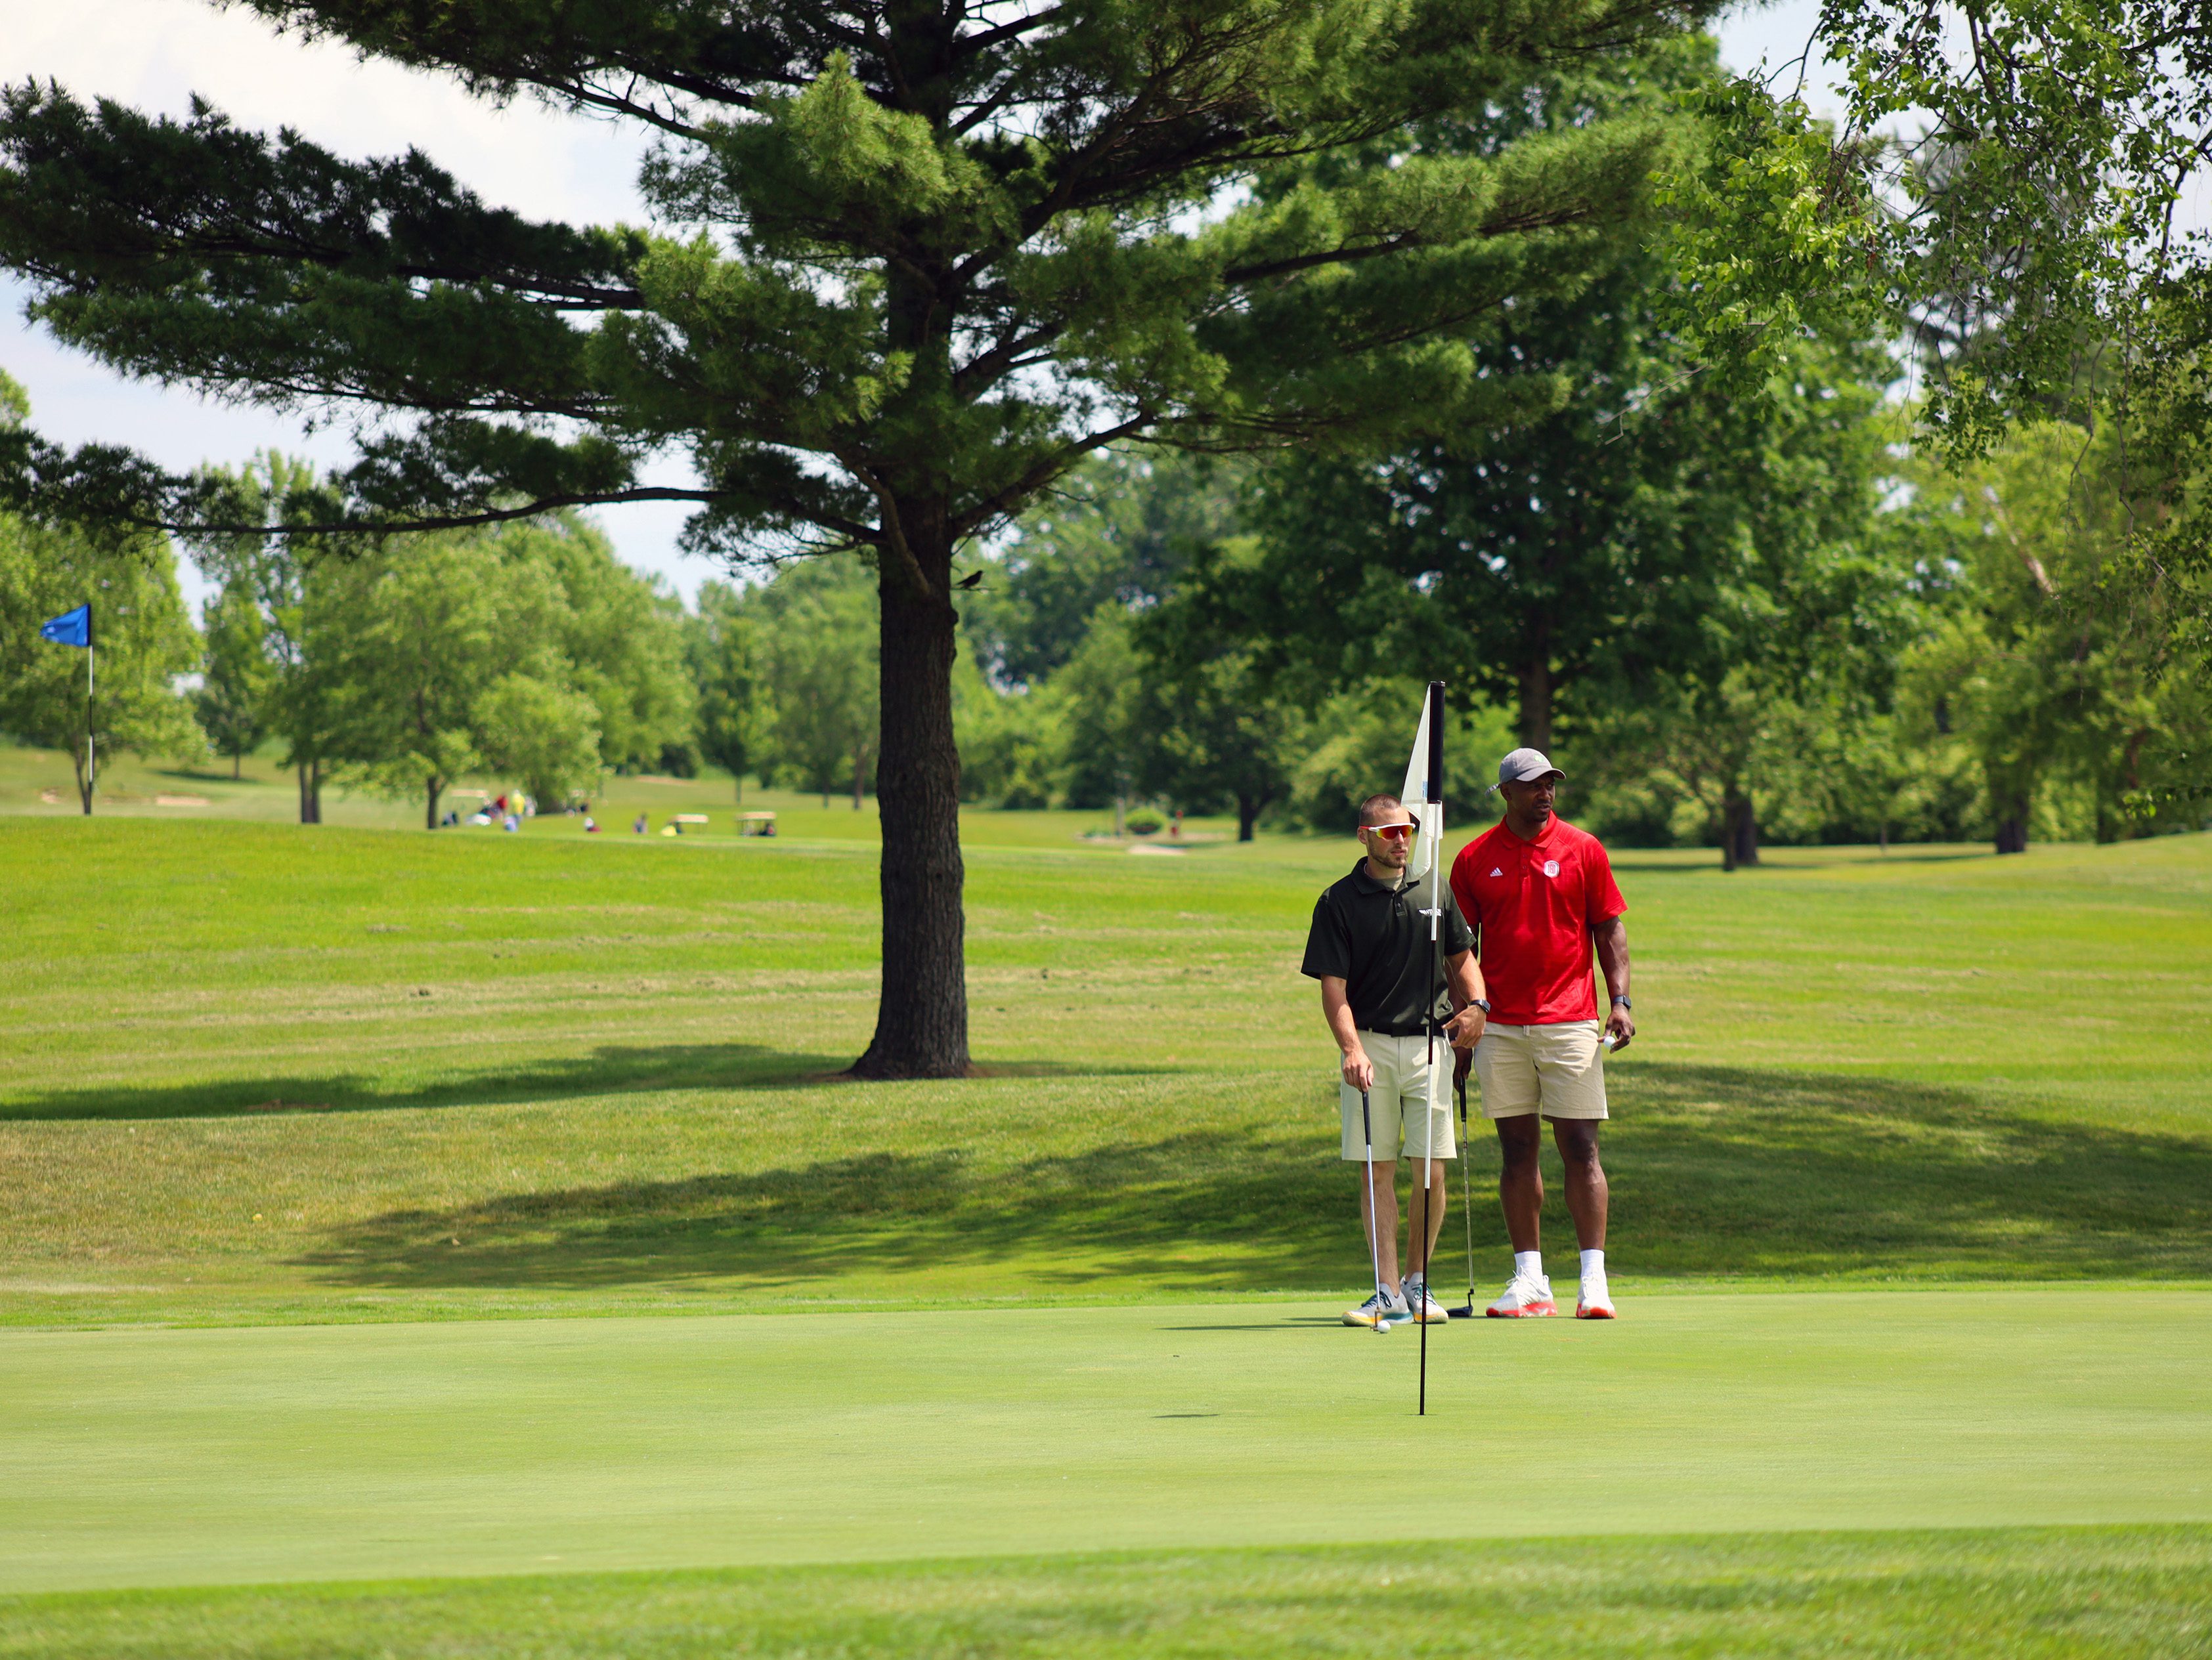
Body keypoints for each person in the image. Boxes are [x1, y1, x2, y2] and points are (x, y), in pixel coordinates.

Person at [1449, 748, 1634, 1321]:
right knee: (1516, 1151)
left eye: (1550, 783)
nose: (1544, 793)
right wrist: (1463, 1018)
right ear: (1505, 792)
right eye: (1531, 785)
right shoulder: (1474, 858)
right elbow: (1458, 951)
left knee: (1580, 1147)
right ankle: (1530, 1279)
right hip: (1500, 1024)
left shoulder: (1583, 849)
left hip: (1571, 1019)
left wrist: (1620, 1000)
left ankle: (1593, 1281)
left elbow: (1609, 929)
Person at [1303, 792, 1488, 1329]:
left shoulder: (1433, 888)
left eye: (1406, 830)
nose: (1401, 840)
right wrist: (1351, 1049)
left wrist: (1477, 1006)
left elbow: (1463, 959)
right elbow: (1332, 990)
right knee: (1375, 1169)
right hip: (1370, 1044)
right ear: (1364, 836)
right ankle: (1384, 1289)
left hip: (1429, 1045)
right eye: (1389, 833)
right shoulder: (1338, 900)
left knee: (1429, 1168)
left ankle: (1417, 1282)